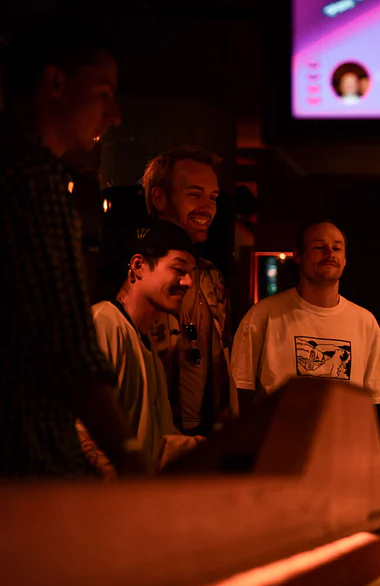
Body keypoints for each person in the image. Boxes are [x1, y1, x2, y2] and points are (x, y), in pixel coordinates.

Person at [0, 22, 148, 477]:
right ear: (56, 84)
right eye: (104, 92)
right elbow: (68, 351)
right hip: (26, 458)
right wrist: (128, 455)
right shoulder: (33, 180)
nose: (116, 113)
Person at [79, 221, 204, 474]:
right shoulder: (105, 323)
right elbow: (80, 429)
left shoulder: (148, 351)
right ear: (138, 266)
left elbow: (159, 444)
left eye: (192, 272)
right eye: (179, 268)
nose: (188, 281)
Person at [231, 220, 380, 411]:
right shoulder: (262, 315)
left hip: (341, 439)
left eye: (337, 248)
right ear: (298, 255)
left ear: (345, 259)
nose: (329, 254)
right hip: (280, 439)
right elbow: (239, 391)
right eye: (319, 246)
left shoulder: (365, 323)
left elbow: (372, 403)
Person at [141, 145, 232, 435]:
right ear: (159, 198)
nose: (207, 207)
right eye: (195, 194)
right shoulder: (134, 275)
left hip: (203, 441)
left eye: (213, 198)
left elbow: (224, 365)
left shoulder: (211, 277)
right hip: (147, 442)